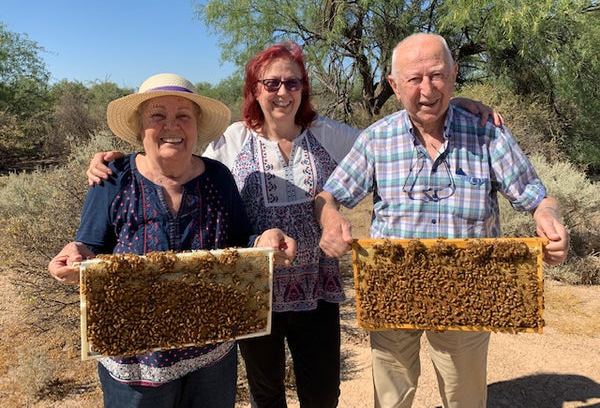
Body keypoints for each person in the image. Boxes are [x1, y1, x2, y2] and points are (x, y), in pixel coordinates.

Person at [84, 43, 501, 407]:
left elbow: (397, 135)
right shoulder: (231, 142)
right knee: (267, 394)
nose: (283, 92)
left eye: (293, 83)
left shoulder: (331, 135)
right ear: (255, 90)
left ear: (304, 88)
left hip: (316, 291)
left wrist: (455, 105)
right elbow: (172, 152)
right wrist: (115, 161)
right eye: (271, 84)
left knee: (322, 393)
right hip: (253, 293)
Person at [314, 33, 570, 408]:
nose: (427, 89)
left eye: (437, 75)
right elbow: (328, 196)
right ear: (394, 86)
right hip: (393, 290)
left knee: (464, 397)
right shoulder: (376, 139)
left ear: (453, 75)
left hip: (469, 292)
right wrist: (330, 218)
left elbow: (539, 197)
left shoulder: (487, 133)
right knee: (391, 398)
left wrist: (548, 216)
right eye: (414, 79)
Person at [48, 73, 296, 408]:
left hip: (212, 358)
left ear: (196, 127)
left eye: (183, 116)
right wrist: (74, 254)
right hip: (134, 366)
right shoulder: (112, 178)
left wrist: (264, 239)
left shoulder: (217, 177)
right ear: (140, 127)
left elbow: (242, 241)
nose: (172, 126)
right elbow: (88, 246)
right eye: (158, 115)